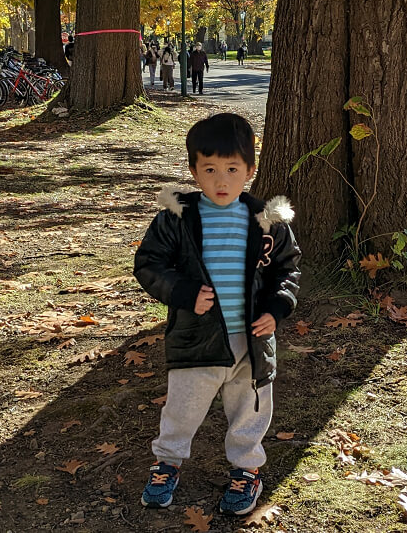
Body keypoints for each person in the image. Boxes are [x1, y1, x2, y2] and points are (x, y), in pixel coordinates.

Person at [134, 112, 301, 515]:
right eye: (209, 169)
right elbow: (148, 264)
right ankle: (167, 462)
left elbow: (288, 270)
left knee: (251, 409)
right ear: (193, 170)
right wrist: (183, 291)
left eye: (232, 169)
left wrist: (277, 309)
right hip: (196, 335)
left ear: (250, 170)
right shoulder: (177, 218)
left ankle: (247, 470)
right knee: (182, 407)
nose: (221, 180)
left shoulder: (267, 221)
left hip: (253, 339)